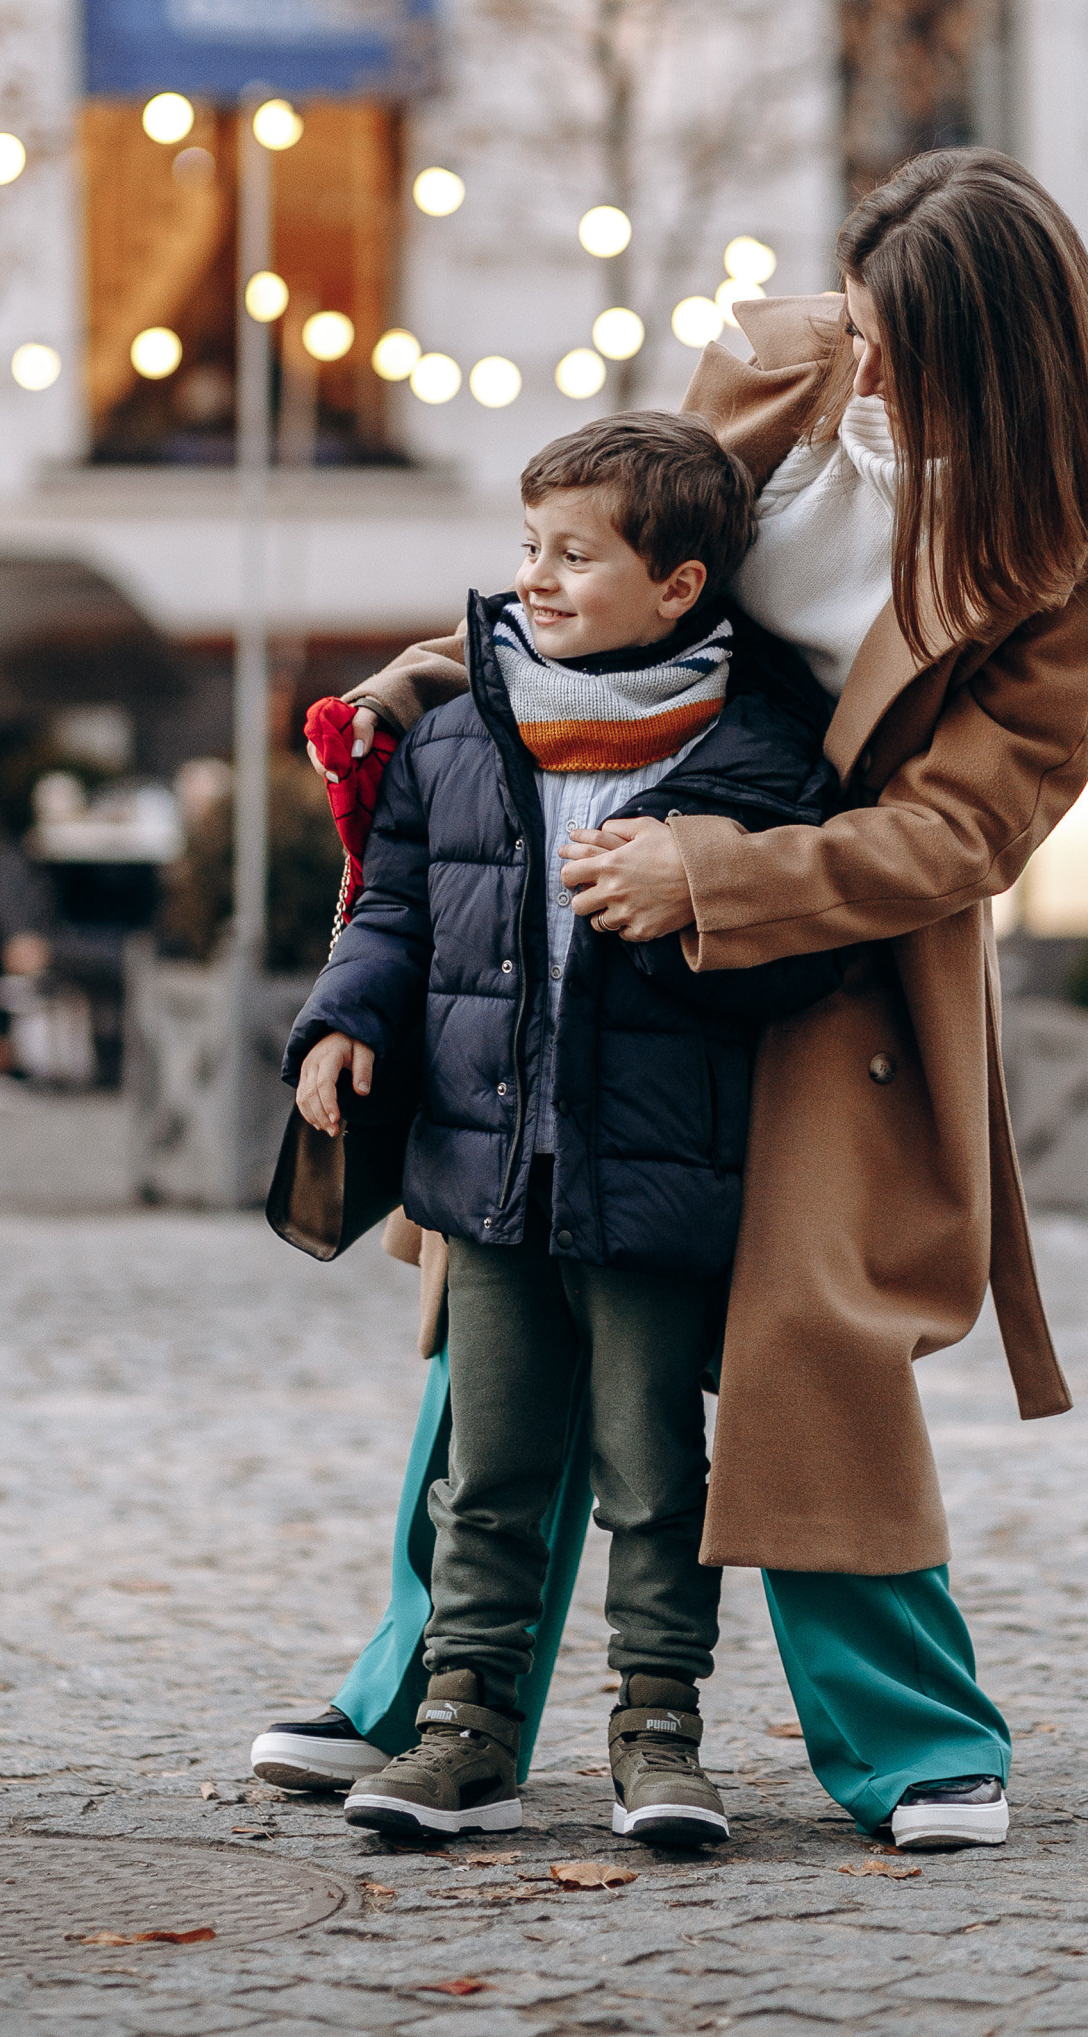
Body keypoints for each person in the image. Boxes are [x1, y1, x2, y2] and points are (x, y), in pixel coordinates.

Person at [257, 146, 1088, 1853]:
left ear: (998, 350)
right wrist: (438, 686)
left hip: (833, 944)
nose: (862, 362)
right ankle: (428, 1697)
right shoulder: (780, 361)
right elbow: (618, 568)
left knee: (808, 1332)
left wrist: (720, 881)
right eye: (858, 321)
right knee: (508, 1286)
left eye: (901, 344)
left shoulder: (1068, 537)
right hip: (603, 871)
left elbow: (975, 824)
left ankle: (910, 1740)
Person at [279, 412, 843, 1848]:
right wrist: (343, 1024)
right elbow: (398, 908)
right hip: (484, 1175)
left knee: (656, 1474)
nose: (538, 576)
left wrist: (690, 902)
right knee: (490, 1466)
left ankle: (660, 1733)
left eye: (577, 555)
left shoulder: (759, 753)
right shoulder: (463, 733)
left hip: (653, 1183)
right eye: (530, 546)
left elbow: (803, 957)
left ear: (681, 586)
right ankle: (462, 1727)